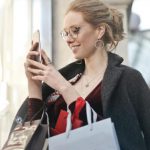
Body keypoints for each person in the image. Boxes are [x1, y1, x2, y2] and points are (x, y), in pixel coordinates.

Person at [11, 0, 150, 150]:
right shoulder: (63, 83)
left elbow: (105, 139)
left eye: (75, 30)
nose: (69, 39)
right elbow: (35, 139)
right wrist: (34, 85)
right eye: (65, 33)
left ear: (99, 30)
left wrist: (63, 86)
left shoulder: (129, 79)